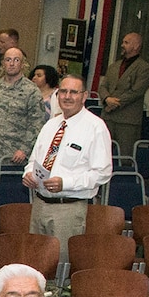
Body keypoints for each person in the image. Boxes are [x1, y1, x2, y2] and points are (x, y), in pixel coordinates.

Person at [24, 75, 111, 265]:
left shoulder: (96, 127)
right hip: (39, 205)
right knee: (35, 263)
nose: (67, 96)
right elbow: (34, 159)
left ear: (84, 96)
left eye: (74, 92)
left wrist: (66, 183)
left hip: (68, 208)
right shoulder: (51, 125)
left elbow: (102, 172)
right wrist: (28, 173)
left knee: (60, 265)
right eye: (63, 91)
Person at [0, 46, 48, 202]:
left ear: (22, 64)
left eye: (16, 60)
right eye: (8, 60)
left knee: (9, 199)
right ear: (3, 63)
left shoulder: (31, 91)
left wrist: (24, 149)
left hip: (13, 155)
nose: (12, 63)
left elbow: (37, 124)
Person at [95, 33, 149, 149]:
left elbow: (136, 92)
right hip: (108, 117)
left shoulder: (145, 68)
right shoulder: (113, 66)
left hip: (128, 121)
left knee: (125, 156)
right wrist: (106, 98)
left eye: (126, 43)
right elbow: (103, 86)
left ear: (136, 46)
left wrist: (114, 103)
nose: (122, 45)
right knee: (101, 151)